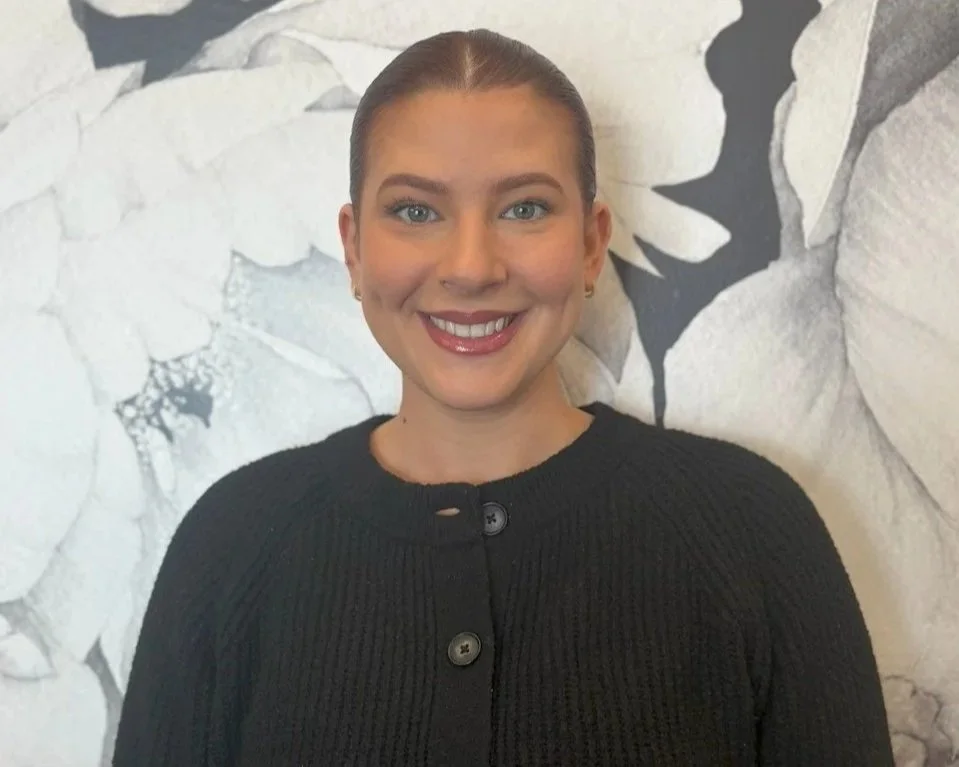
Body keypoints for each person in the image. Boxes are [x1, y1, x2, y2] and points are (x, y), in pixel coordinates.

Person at [113, 28, 894, 766]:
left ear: (590, 244)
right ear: (353, 249)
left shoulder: (754, 528)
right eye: (415, 211)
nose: (471, 266)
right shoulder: (230, 546)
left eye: (524, 208)